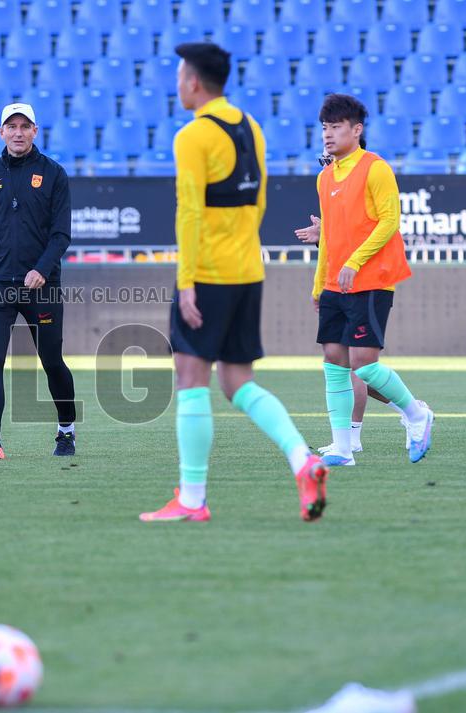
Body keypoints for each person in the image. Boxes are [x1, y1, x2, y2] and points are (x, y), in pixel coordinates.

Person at [140, 43, 328, 524]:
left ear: (195, 83)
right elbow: (260, 201)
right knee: (238, 381)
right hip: (248, 269)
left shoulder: (193, 136)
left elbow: (190, 213)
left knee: (190, 378)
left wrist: (186, 281)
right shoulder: (253, 127)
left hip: (208, 274)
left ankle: (193, 499)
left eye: (181, 76)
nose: (178, 83)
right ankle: (302, 459)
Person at [310, 93, 433, 467]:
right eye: (325, 129)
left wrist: (355, 260)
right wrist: (319, 283)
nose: (328, 136)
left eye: (336, 128)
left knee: (364, 363)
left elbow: (389, 222)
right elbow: (328, 235)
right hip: (335, 282)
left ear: (356, 130)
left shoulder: (376, 168)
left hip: (372, 278)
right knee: (334, 361)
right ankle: (343, 449)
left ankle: (416, 414)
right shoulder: (324, 176)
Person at [0, 102, 76, 460]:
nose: (17, 132)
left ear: (35, 131)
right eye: (10, 126)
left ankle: (66, 431)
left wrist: (42, 269)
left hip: (40, 285)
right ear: (1, 132)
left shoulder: (54, 174)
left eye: (24, 126)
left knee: (51, 359)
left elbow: (61, 234)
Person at [295, 214, 425, 456]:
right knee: (345, 366)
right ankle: (409, 412)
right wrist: (324, 237)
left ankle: (358, 436)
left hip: (367, 283)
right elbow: (344, 241)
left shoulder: (370, 181)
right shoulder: (329, 182)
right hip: (339, 287)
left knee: (359, 367)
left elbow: (375, 230)